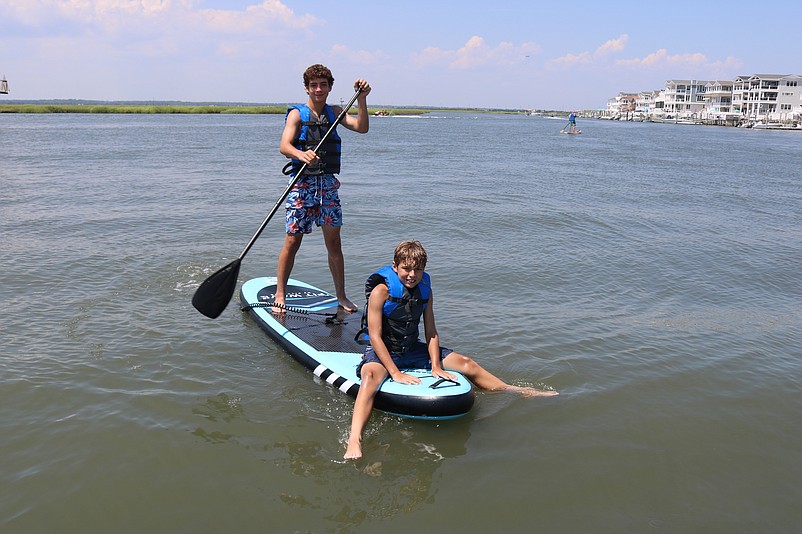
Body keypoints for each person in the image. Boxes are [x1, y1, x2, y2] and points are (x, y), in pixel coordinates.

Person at [344, 241, 558, 460]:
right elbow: (376, 337)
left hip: (412, 350)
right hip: (384, 351)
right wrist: (396, 373)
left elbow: (431, 332)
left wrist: (436, 365)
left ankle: (511, 389)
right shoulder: (381, 291)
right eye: (406, 269)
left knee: (466, 363)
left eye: (418, 269)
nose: (412, 275)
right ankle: (354, 439)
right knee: (370, 377)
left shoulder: (425, 290)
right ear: (395, 266)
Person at [274, 64, 371, 313]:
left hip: (327, 186)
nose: (318, 89)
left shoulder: (336, 112)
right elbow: (284, 146)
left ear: (329, 87)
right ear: (307, 88)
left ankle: (341, 296)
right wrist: (300, 153)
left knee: (334, 243)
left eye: (323, 85)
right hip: (301, 184)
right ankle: (280, 292)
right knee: (292, 240)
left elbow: (362, 127)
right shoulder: (297, 114)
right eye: (314, 85)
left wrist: (361, 99)